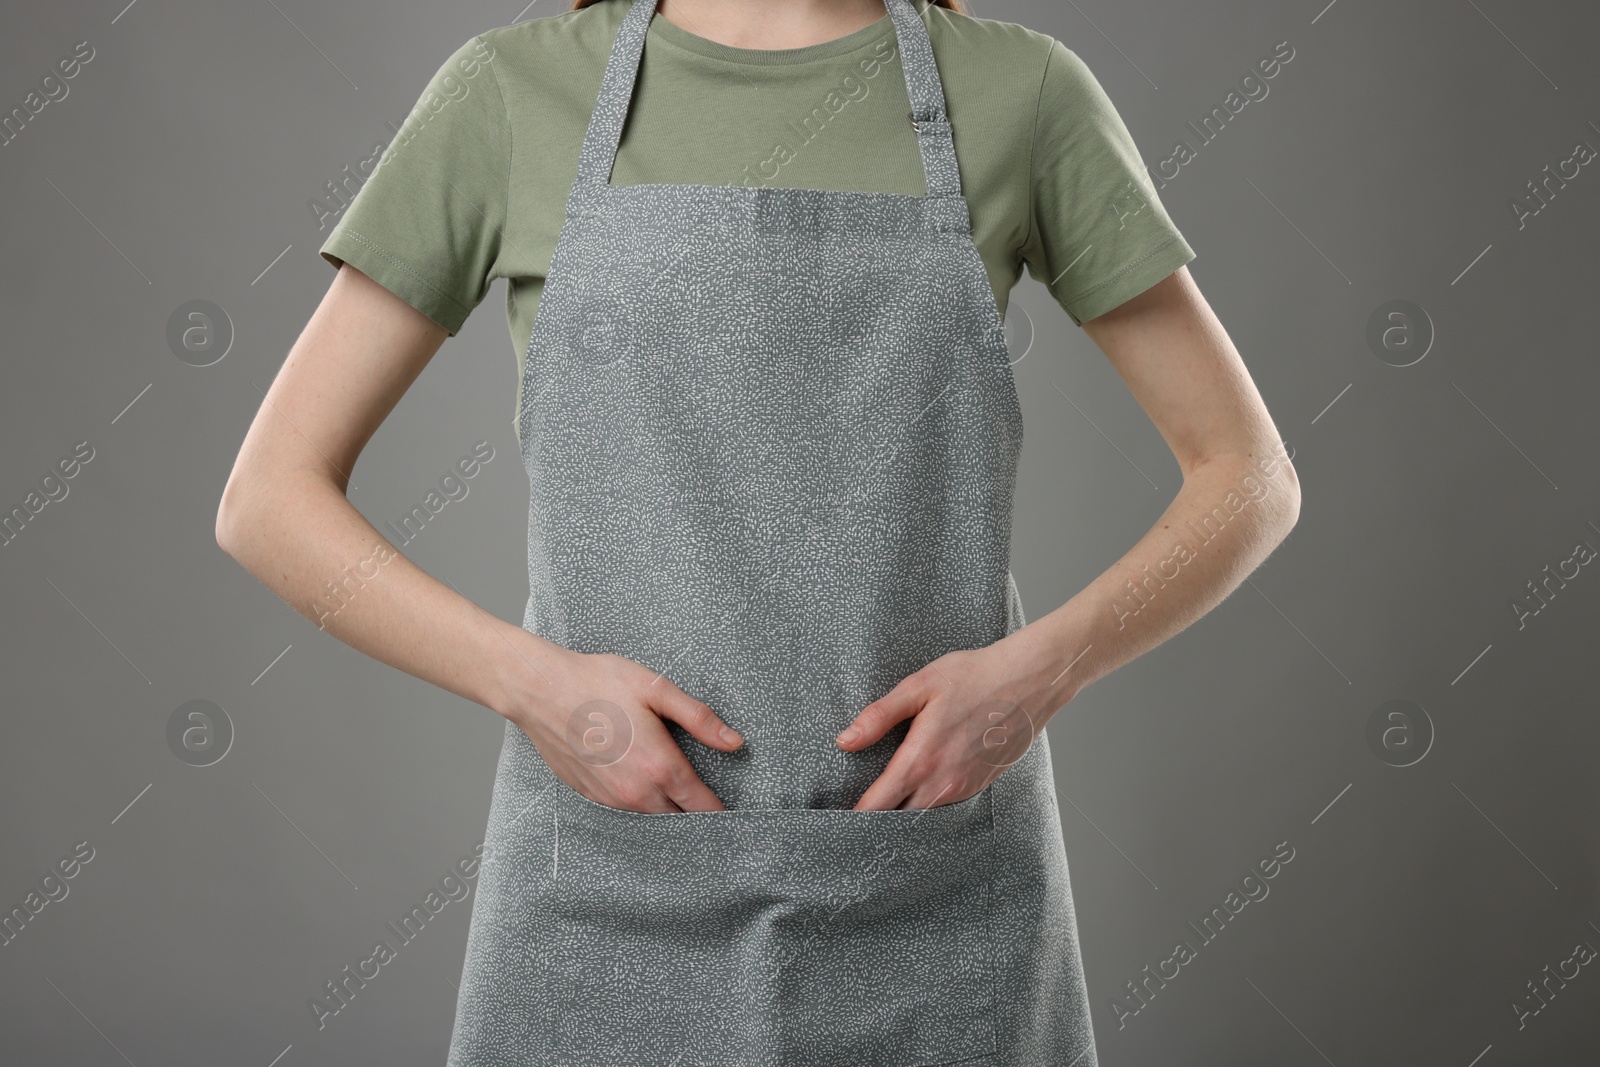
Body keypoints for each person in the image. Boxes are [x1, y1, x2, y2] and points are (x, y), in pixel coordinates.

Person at [216, 0, 1301, 1063]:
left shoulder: (1021, 92)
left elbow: (1248, 479)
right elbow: (270, 499)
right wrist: (531, 682)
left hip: (933, 886)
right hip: (605, 885)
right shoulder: (509, 91)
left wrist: (1039, 673)